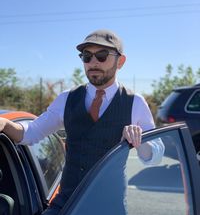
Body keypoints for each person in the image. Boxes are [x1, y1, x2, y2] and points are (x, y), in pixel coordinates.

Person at [0, 29, 163, 200]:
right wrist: (4, 124)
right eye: (87, 56)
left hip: (111, 207)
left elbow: (155, 155)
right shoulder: (66, 99)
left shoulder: (135, 102)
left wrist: (140, 142)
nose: (93, 62)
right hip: (67, 204)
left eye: (102, 55)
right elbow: (31, 132)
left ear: (120, 61)